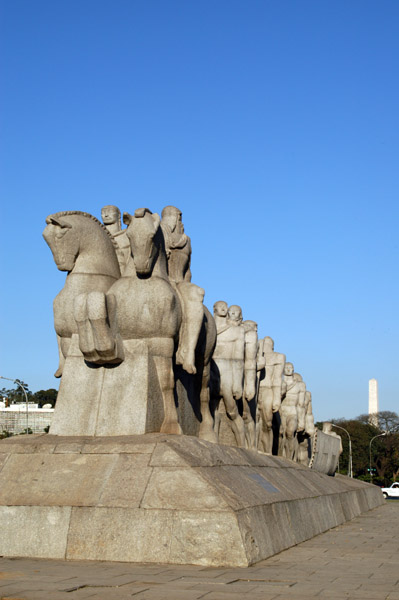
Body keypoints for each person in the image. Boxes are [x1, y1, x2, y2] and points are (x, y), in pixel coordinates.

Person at [257, 337, 285, 454]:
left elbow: (277, 379)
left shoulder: (278, 357)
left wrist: (277, 399)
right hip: (256, 389)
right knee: (254, 420)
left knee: (267, 422)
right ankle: (256, 447)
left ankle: (267, 450)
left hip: (268, 390)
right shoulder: (256, 354)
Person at [101, 205, 130, 274]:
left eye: (109, 212)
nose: (106, 215)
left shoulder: (127, 236)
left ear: (119, 215)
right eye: (103, 212)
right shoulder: (99, 238)